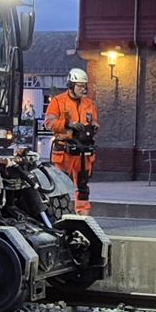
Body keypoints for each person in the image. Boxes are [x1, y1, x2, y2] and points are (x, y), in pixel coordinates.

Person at [45, 68, 99, 214]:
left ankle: (83, 215)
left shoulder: (89, 103)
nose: (83, 89)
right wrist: (67, 124)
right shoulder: (58, 101)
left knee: (83, 185)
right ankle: (59, 213)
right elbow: (49, 123)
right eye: (80, 86)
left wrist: (93, 126)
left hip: (83, 150)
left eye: (84, 86)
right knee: (60, 185)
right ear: (71, 85)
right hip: (65, 149)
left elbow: (94, 120)